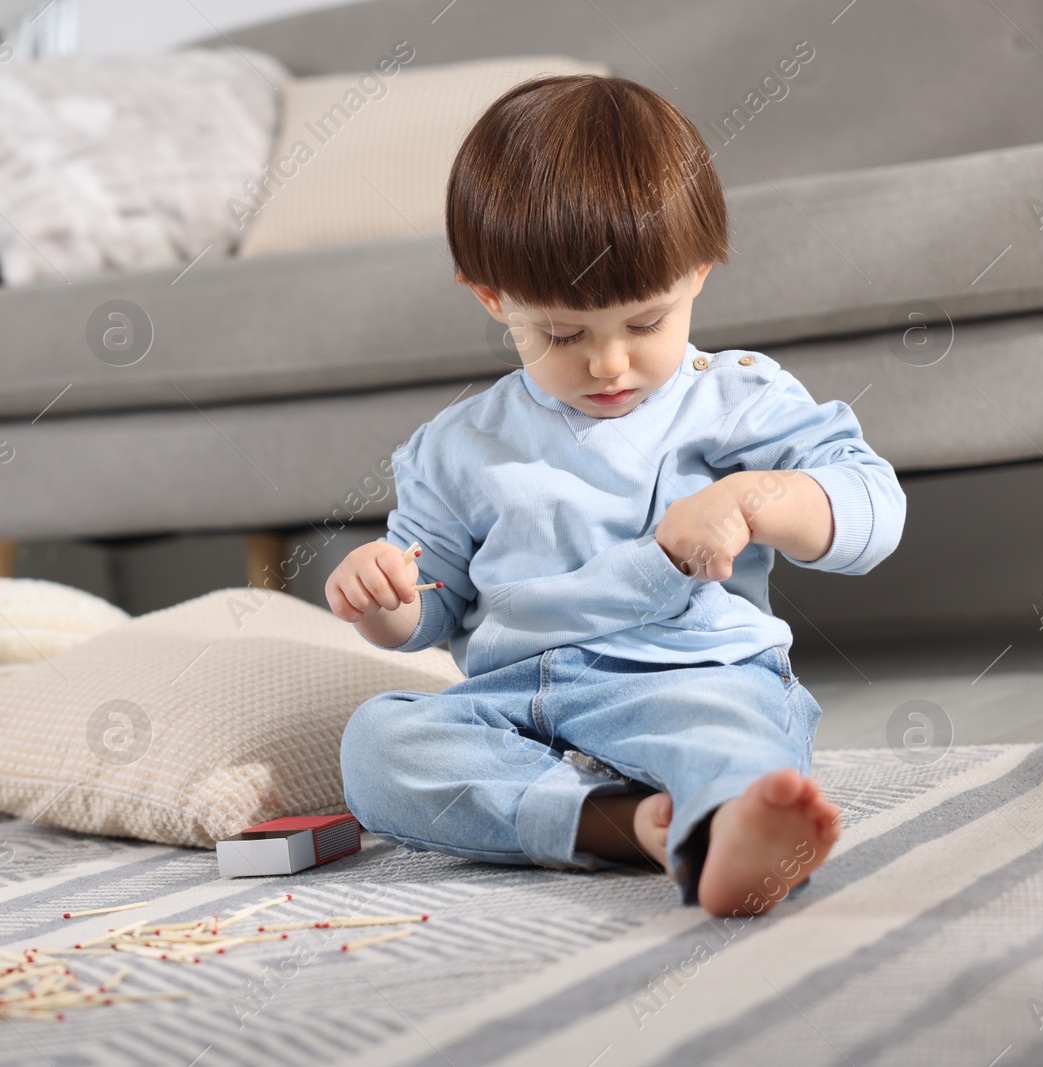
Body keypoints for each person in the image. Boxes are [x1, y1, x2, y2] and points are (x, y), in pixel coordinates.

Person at [324, 74, 906, 917]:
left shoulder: (735, 399)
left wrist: (753, 498)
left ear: (697, 274)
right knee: (379, 744)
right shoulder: (455, 447)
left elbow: (871, 503)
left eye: (644, 324)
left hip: (687, 677)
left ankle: (726, 832)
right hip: (517, 704)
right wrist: (384, 598)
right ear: (492, 296)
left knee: (727, 735)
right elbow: (433, 604)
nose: (607, 364)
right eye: (560, 333)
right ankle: (634, 825)